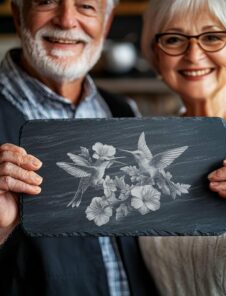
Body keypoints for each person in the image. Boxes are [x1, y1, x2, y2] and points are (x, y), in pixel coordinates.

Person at [0, 0, 158, 295]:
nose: (66, 20)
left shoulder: (123, 112)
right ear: (18, 16)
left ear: (106, 24)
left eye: (86, 6)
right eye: (46, 2)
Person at [140, 0, 226, 295]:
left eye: (212, 37)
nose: (194, 54)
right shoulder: (154, 141)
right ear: (156, 57)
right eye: (174, 39)